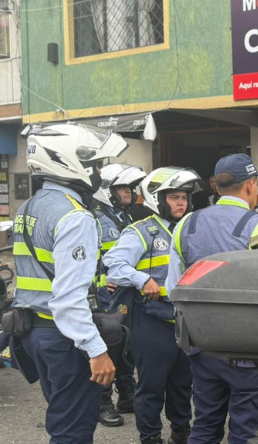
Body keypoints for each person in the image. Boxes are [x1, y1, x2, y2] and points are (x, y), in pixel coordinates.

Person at [11, 124, 123, 443]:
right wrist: (96, 350)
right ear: (70, 163)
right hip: (63, 338)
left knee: (62, 419)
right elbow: (69, 298)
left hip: (32, 334)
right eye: (95, 164)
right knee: (72, 432)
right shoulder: (76, 217)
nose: (98, 172)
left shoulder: (29, 207)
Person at [167, 154, 258, 444]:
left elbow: (174, 290)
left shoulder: (185, 225)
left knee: (205, 425)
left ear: (217, 188)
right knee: (248, 431)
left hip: (203, 348)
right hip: (251, 352)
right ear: (251, 185)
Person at [104, 167, 203, 444]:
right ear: (156, 198)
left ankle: (181, 434)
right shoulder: (141, 231)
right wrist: (141, 278)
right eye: (173, 197)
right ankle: (150, 438)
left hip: (184, 319)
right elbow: (113, 264)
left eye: (183, 196)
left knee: (183, 384)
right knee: (152, 386)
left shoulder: (191, 230)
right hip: (149, 319)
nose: (181, 202)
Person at [93, 163, 147, 427]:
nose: (129, 191)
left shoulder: (122, 216)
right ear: (107, 190)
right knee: (107, 347)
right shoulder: (96, 218)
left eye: (130, 187)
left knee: (124, 345)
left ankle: (126, 396)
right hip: (105, 297)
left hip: (122, 295)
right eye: (123, 187)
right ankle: (102, 402)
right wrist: (101, 283)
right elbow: (90, 259)